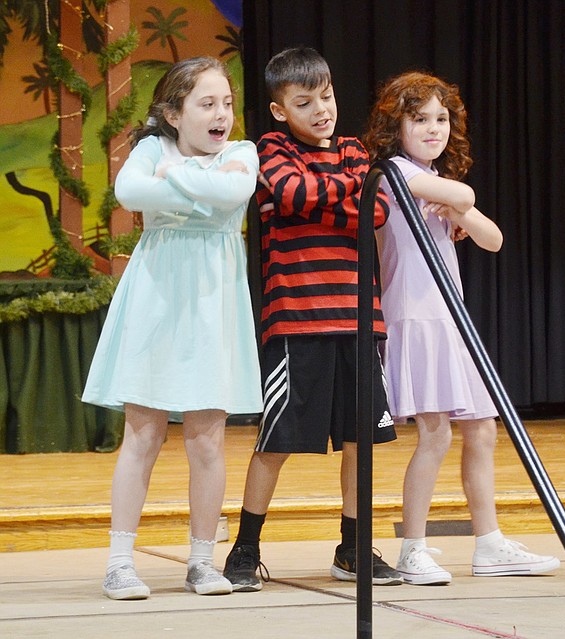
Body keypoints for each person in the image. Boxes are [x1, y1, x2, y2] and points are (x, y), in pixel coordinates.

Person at [363, 70, 560, 585]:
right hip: (416, 317)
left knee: (482, 430)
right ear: (395, 125)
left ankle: (490, 543)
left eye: (442, 118)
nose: (434, 128)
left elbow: (491, 238)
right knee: (434, 435)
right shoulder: (391, 173)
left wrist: (456, 207)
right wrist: (457, 199)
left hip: (451, 320)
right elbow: (465, 192)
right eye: (420, 118)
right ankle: (413, 548)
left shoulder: (436, 185)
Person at [82, 57, 263, 599]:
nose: (221, 115)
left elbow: (235, 196)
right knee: (143, 432)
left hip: (214, 304)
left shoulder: (242, 153)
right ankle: (119, 562)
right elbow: (132, 194)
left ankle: (202, 561)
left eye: (226, 103)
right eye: (206, 104)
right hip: (157, 298)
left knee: (207, 438)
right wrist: (198, 183)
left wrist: (177, 180)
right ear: (172, 112)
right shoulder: (149, 150)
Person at [222, 47, 401, 592]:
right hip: (297, 320)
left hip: (359, 320)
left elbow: (377, 211)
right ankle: (245, 548)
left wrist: (332, 195)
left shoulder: (351, 147)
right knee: (276, 440)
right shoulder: (268, 149)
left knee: (359, 441)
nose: (322, 109)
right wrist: (347, 190)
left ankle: (352, 547)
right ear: (280, 111)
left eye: (326, 96)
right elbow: (294, 192)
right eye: (305, 102)